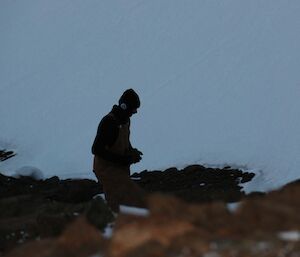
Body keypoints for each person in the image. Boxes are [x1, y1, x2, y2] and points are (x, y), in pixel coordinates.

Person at [92, 89, 146, 211]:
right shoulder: (109, 122)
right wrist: (123, 160)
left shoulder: (126, 121)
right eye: (133, 109)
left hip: (119, 167)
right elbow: (96, 149)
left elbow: (123, 140)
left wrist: (132, 151)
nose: (135, 112)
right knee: (118, 198)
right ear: (124, 106)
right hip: (106, 169)